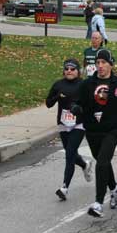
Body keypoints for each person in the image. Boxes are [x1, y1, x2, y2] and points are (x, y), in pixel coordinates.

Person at [72, 49, 117, 217]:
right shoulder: (87, 84)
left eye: (104, 63)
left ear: (111, 64)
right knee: (103, 162)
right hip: (93, 130)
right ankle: (114, 188)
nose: (100, 66)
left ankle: (98, 202)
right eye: (98, 63)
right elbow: (78, 102)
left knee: (102, 161)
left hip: (112, 129)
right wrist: (76, 108)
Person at [46, 59, 94, 200]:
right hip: (63, 123)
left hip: (78, 124)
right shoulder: (58, 84)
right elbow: (48, 103)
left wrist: (80, 109)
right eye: (66, 68)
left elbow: (91, 104)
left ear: (78, 71)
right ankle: (85, 164)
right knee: (70, 153)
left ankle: (64, 187)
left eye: (72, 69)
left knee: (69, 155)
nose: (69, 71)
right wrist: (57, 96)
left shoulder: (84, 85)